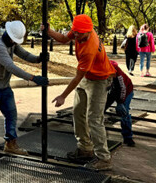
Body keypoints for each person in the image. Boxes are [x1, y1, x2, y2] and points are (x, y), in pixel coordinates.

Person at [44, 14, 116, 171]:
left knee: (94, 118)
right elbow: (63, 38)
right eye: (74, 32)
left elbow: (77, 77)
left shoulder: (89, 49)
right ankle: (85, 148)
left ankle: (104, 158)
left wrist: (63, 96)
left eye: (79, 33)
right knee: (78, 111)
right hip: (88, 76)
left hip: (100, 79)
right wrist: (49, 31)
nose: (75, 35)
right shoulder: (79, 30)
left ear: (88, 31)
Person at [0, 20, 48, 156]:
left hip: (4, 87)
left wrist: (38, 59)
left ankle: (10, 144)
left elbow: (25, 55)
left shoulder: (11, 44)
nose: (15, 43)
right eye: (14, 40)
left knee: (11, 114)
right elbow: (11, 67)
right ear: (8, 35)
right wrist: (33, 78)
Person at [105, 60, 135, 146]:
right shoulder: (105, 69)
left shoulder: (119, 77)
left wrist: (120, 102)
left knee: (124, 113)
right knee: (102, 107)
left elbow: (123, 90)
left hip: (127, 92)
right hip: (113, 90)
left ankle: (128, 137)